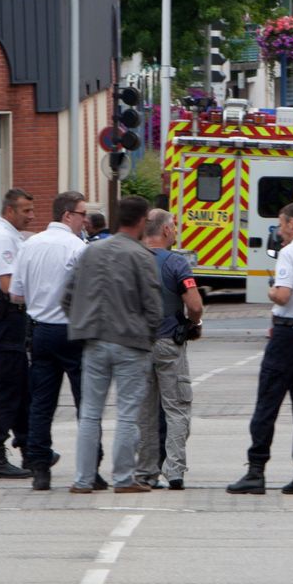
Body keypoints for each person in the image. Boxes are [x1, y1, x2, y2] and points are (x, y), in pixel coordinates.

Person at [228, 202, 293, 495]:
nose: (279, 230)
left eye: (280, 224)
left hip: (287, 334)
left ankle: (256, 471)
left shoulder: (290, 253)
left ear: (291, 223)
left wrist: (271, 289)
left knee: (268, 402)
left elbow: (284, 296)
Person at [64, 196, 162, 494]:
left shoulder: (90, 252)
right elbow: (154, 308)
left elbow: (67, 296)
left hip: (94, 340)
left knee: (90, 412)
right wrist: (147, 333)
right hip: (131, 342)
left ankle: (83, 479)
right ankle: (123, 478)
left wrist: (81, 323)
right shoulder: (142, 256)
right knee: (128, 412)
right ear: (143, 221)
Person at [11, 191, 96, 492]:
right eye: (82, 213)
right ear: (67, 216)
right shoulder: (77, 247)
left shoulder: (30, 245)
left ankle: (39, 468)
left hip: (40, 330)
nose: (86, 219)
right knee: (85, 402)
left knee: (41, 404)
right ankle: (91, 469)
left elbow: (16, 294)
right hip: (72, 330)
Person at [134, 209, 203, 490]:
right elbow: (195, 305)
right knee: (176, 408)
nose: (175, 232)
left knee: (145, 413)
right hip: (168, 344)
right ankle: (174, 471)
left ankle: (145, 472)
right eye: (173, 227)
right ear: (164, 230)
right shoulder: (176, 263)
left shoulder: (132, 260)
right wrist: (192, 323)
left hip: (137, 345)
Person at [0, 188, 36, 479]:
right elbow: (9, 287)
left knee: (21, 389)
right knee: (8, 390)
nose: (31, 216)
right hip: (6, 317)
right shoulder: (2, 238)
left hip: (8, 319)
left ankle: (30, 449)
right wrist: (42, 298)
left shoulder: (3, 233)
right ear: (10, 210)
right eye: (26, 210)